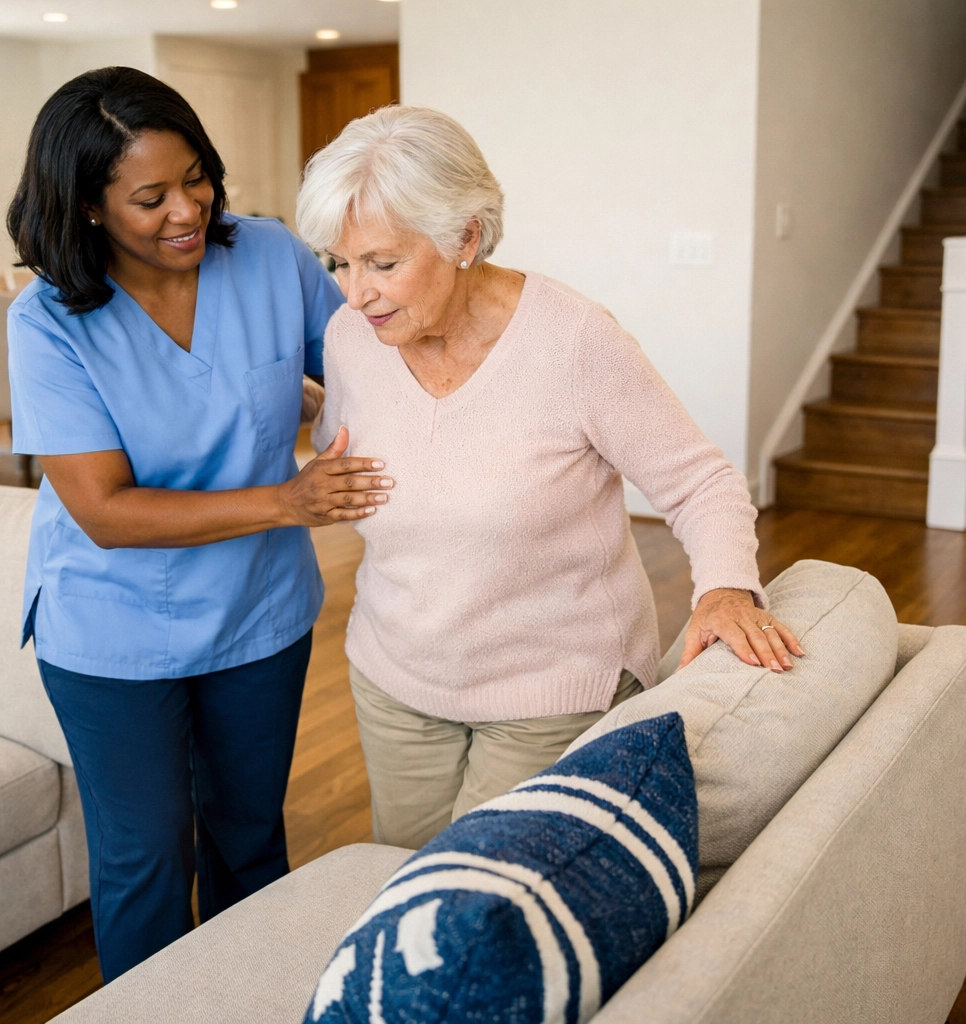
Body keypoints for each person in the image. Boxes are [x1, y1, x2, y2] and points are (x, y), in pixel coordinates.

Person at [297, 106, 806, 850]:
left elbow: (700, 483)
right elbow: (350, 446)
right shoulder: (352, 339)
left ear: (465, 236)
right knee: (398, 882)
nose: (355, 293)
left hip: (552, 689)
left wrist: (727, 587)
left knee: (489, 901)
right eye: (338, 263)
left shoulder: (572, 341)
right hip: (393, 677)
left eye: (382, 263)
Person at [4, 67, 390, 980]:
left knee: (251, 842)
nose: (185, 209)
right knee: (145, 864)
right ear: (88, 206)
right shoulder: (47, 320)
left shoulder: (267, 256)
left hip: (259, 610)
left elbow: (371, 372)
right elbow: (102, 510)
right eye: (149, 197)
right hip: (112, 631)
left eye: (195, 179)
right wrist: (288, 501)